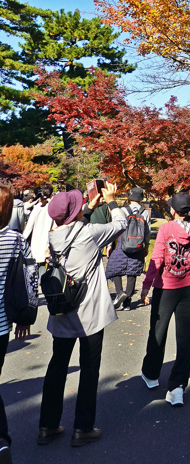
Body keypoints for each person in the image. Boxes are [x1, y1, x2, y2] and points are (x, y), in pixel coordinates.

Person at [37, 182, 127, 448]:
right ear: (75, 213)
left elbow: (72, 227)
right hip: (89, 315)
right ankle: (83, 428)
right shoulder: (89, 233)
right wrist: (111, 201)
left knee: (57, 367)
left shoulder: (54, 236)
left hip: (62, 312)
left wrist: (87, 208)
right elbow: (120, 224)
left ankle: (47, 425)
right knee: (89, 368)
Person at [140, 192, 190, 407]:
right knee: (185, 337)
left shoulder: (166, 229)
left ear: (173, 210)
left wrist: (146, 285)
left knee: (158, 331)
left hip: (166, 286)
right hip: (189, 287)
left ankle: (151, 374)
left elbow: (157, 257)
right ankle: (177, 387)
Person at [0, 184, 37, 464]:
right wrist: (25, 317)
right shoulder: (15, 240)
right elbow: (29, 276)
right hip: (1, 326)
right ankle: (1, 441)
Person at [105, 187, 151, 308]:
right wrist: (146, 246)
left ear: (129, 198)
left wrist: (110, 245)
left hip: (123, 243)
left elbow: (115, 228)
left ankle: (120, 293)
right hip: (138, 245)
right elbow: (147, 232)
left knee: (115, 267)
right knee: (133, 272)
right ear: (141, 199)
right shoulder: (145, 212)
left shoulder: (123, 210)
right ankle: (127, 300)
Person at [22, 185, 55, 270]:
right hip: (48, 239)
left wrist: (23, 238)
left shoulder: (37, 207)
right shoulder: (53, 207)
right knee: (44, 265)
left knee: (35, 264)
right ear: (51, 195)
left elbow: (29, 225)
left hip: (36, 237)